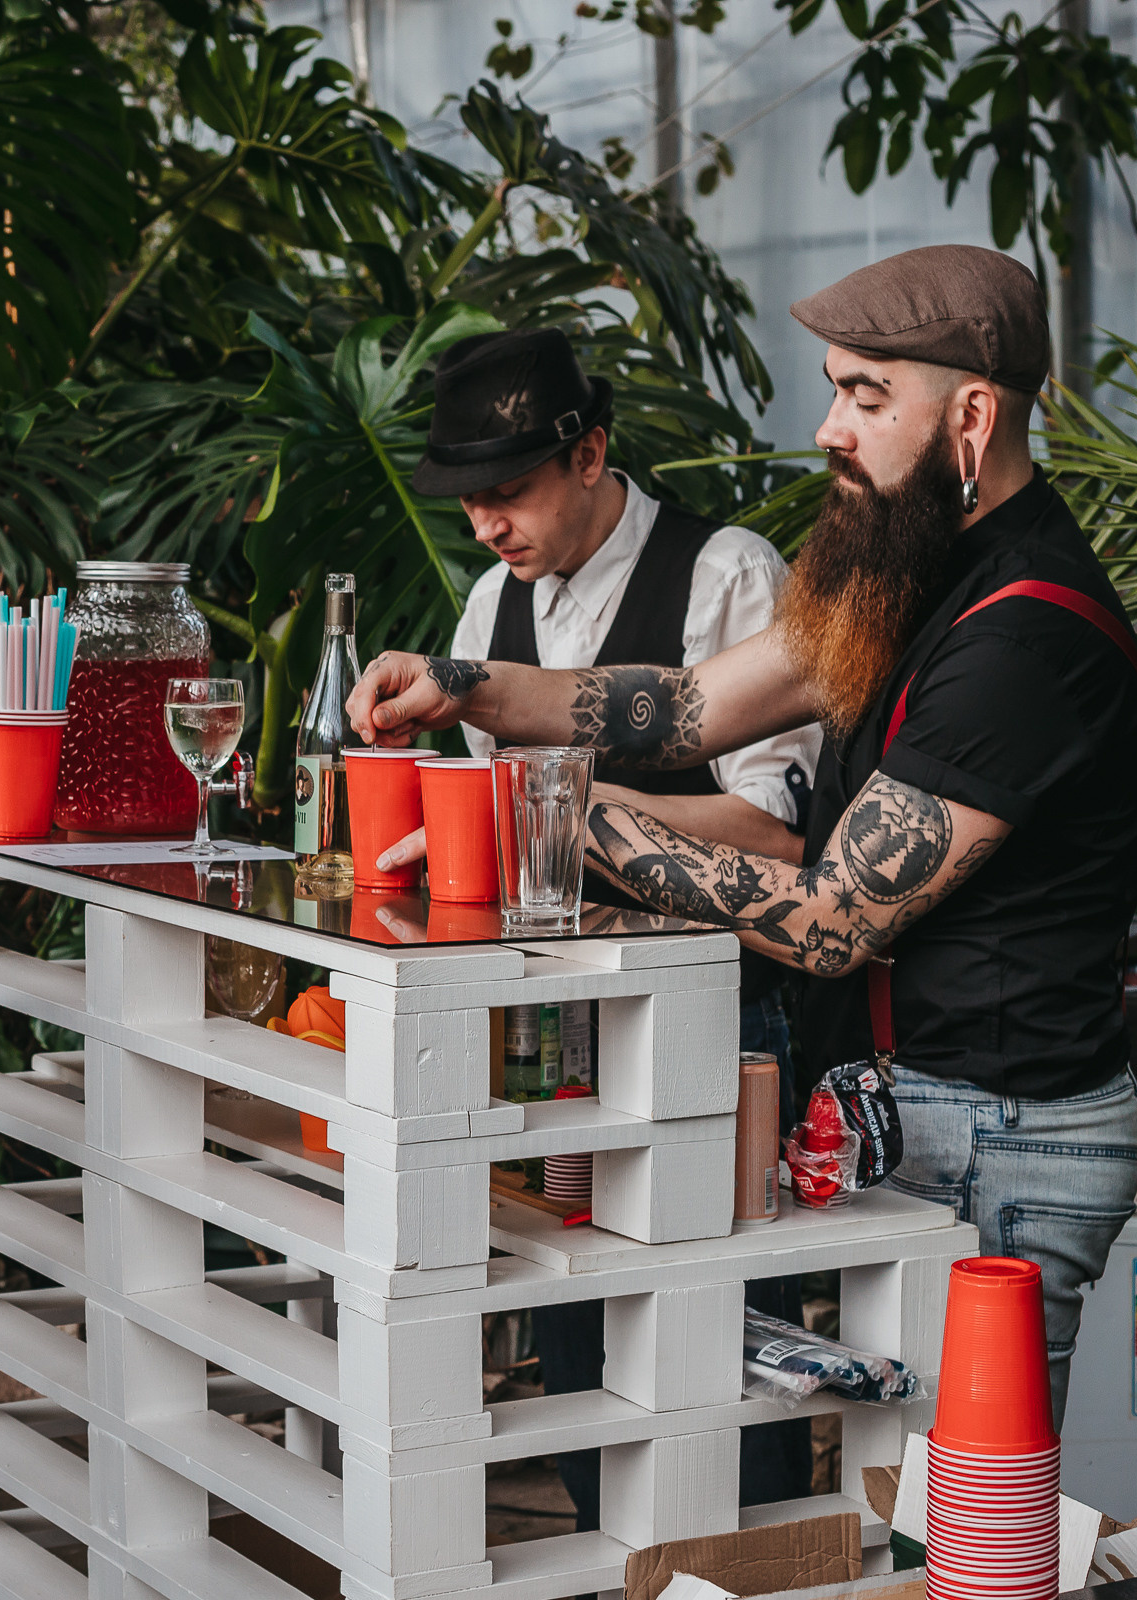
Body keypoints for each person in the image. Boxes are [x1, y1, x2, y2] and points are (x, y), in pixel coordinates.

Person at [350, 245, 1137, 1426]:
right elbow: (682, 707)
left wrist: (547, 818)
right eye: (833, 388)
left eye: (868, 396)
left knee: (966, 1518)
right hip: (912, 1106)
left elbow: (831, 917)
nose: (830, 428)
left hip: (1005, 1138)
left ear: (973, 414)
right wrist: (463, 682)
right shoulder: (914, 567)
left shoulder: (1024, 638)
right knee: (890, 1490)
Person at [406, 327, 821, 1524]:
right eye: (468, 500)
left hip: (715, 1014)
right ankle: (608, 1553)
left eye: (508, 491)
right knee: (577, 1330)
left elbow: (775, 831)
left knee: (722, 1333)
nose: (486, 525)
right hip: (557, 1026)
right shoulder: (494, 600)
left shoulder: (725, 574)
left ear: (589, 454)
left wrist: (565, 797)